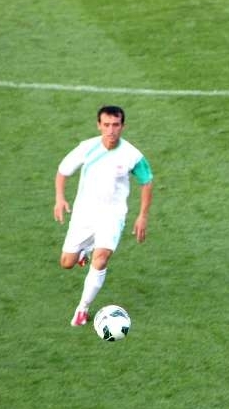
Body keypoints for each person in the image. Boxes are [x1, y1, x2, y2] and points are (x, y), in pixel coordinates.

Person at [54, 105, 154, 326]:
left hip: (112, 215)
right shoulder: (86, 148)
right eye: (106, 125)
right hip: (84, 214)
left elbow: (146, 182)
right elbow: (63, 171)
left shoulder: (132, 155)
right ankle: (84, 251)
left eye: (115, 125)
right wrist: (60, 198)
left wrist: (142, 215)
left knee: (101, 259)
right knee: (67, 263)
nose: (111, 130)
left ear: (123, 126)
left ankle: (82, 308)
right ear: (99, 125)